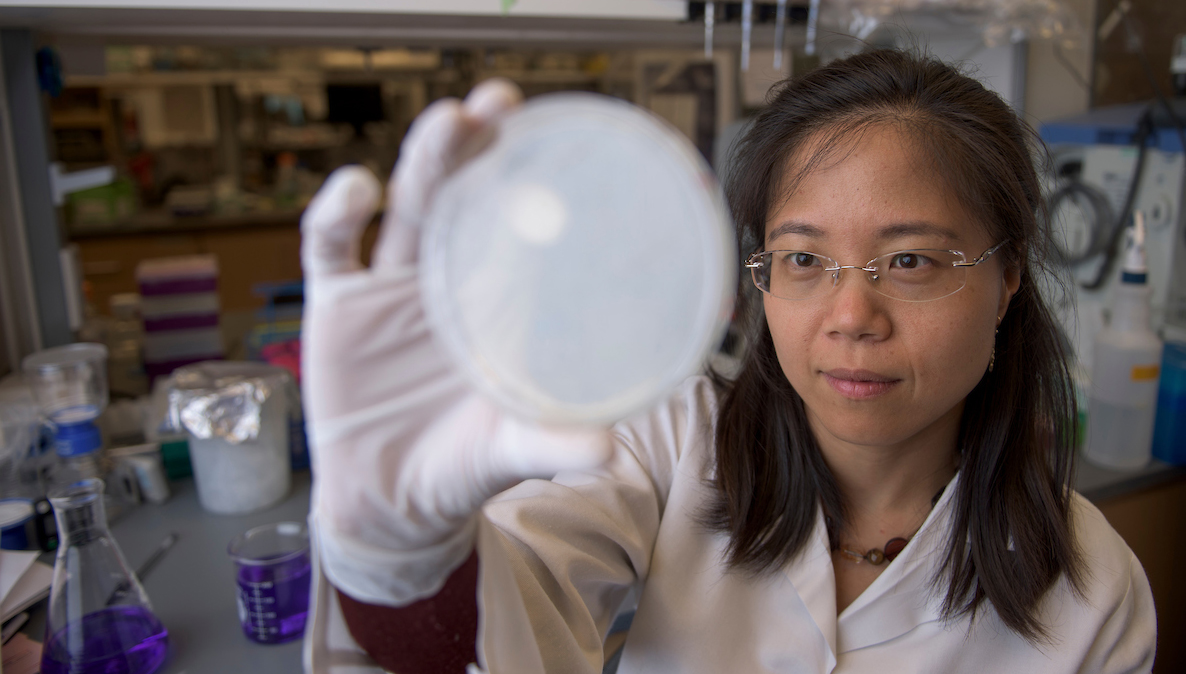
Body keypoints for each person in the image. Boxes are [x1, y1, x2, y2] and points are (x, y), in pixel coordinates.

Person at [299, 49, 1156, 674]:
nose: (851, 318)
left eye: (910, 261)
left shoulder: (1094, 591)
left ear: (1007, 277)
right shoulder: (667, 445)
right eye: (804, 260)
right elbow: (493, 631)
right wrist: (399, 559)